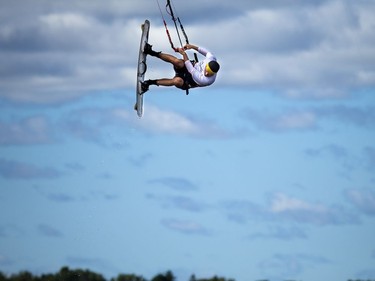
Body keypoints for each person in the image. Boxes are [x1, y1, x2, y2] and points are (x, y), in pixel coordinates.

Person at [141, 43, 220, 93]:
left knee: (177, 81)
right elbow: (204, 51)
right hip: (188, 66)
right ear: (207, 65)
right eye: (207, 70)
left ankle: (150, 83)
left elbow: (191, 70)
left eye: (209, 74)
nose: (206, 73)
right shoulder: (211, 58)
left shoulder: (207, 80)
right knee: (178, 62)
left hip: (187, 81)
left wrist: (184, 54)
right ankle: (151, 52)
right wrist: (191, 46)